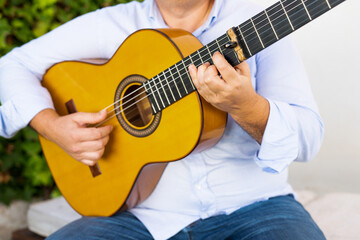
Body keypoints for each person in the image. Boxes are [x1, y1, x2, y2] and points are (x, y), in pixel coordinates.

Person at [0, 0, 326, 239]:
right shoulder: (112, 24)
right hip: (141, 220)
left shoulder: (255, 22)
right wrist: (52, 125)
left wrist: (245, 106)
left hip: (257, 207)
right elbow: (12, 66)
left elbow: (308, 139)